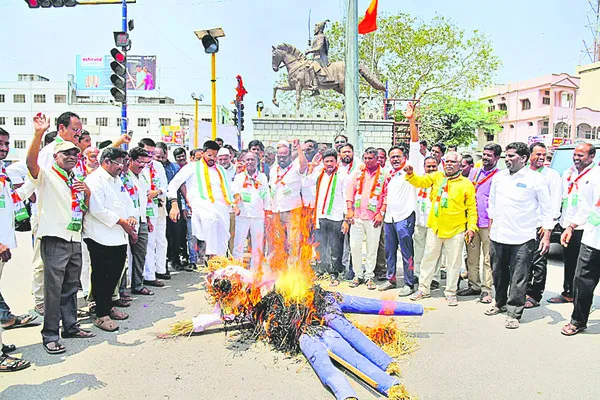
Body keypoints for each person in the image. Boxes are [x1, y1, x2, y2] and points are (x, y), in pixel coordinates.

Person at [27, 114, 95, 354]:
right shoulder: (45, 175)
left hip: (74, 238)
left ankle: (70, 326)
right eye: (66, 153)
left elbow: (83, 209)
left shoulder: (74, 179)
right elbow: (31, 163)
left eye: (75, 154)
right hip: (55, 239)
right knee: (53, 290)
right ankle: (50, 335)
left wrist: (85, 193)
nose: (71, 156)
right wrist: (38, 134)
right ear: (55, 156)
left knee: (70, 287)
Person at [486, 142, 554, 329]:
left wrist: (546, 236)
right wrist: (492, 230)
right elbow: (492, 205)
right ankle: (499, 303)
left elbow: (547, 209)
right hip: (499, 235)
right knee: (498, 273)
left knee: (519, 276)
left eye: (511, 156)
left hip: (523, 237)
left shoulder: (535, 179)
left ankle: (514, 312)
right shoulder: (499, 178)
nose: (507, 159)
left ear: (523, 158)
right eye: (506, 156)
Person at [31, 111, 86, 316]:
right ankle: (41, 302)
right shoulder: (49, 151)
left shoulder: (73, 153)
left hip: (69, 219)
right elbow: (38, 179)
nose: (78, 134)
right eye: (74, 129)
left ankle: (66, 312)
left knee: (68, 273)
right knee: (43, 264)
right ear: (61, 128)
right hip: (49, 217)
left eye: (80, 131)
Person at [405, 152, 477, 306]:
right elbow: (420, 182)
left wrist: (471, 227)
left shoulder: (466, 184)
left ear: (459, 164)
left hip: (456, 230)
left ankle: (450, 292)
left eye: (453, 162)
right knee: (428, 259)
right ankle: (423, 289)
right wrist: (411, 174)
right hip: (435, 227)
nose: (449, 164)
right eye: (447, 161)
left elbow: (471, 208)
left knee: (453, 263)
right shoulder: (437, 176)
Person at [84, 147, 136, 332]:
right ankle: (101, 315)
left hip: (118, 235)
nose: (122, 167)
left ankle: (108, 306)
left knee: (115, 274)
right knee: (102, 276)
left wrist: (131, 218)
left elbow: (127, 201)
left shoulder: (116, 179)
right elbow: (96, 209)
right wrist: (122, 222)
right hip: (100, 236)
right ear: (106, 162)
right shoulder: (94, 180)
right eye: (119, 163)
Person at [0, 127, 34, 370]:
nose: (4, 148)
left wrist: (34, 181)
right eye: (0, 143)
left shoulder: (3, 173)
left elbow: (12, 201)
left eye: (6, 143)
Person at [549, 143, 598, 305]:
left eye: (581, 155)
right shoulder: (568, 173)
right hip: (567, 224)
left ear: (592, 157)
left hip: (584, 227)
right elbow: (562, 197)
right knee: (569, 261)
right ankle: (568, 292)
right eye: (575, 154)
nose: (576, 158)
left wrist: (573, 225)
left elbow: (589, 206)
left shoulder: (595, 175)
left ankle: (581, 299)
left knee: (585, 267)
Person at [168, 141, 233, 257]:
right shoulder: (192, 167)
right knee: (211, 220)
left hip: (222, 209)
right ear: (203, 153)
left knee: (223, 240)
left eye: (215, 156)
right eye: (210, 155)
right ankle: (209, 258)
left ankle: (219, 266)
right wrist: (174, 204)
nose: (212, 158)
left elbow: (227, 190)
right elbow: (173, 184)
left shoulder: (221, 170)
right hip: (202, 207)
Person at [560, 148, 600, 336]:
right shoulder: (595, 177)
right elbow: (587, 206)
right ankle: (578, 321)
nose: (576, 158)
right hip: (593, 238)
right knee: (582, 280)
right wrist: (571, 226)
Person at [458, 143, 502, 304]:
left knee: (488, 258)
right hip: (472, 222)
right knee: (471, 256)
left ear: (497, 158)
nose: (485, 157)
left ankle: (486, 289)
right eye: (484, 154)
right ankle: (473, 285)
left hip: (488, 223)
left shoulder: (500, 176)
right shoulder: (474, 173)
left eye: (489, 155)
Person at [525, 142, 561, 308]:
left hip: (541, 225)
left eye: (544, 155)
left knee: (539, 262)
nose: (541, 158)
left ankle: (535, 295)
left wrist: (548, 227)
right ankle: (522, 291)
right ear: (529, 155)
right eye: (537, 154)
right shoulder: (522, 173)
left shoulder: (551, 175)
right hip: (523, 225)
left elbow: (555, 202)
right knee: (522, 262)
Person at [304, 149, 348, 285]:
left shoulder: (342, 175)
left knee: (335, 247)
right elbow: (305, 183)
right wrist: (312, 166)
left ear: (336, 161)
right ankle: (322, 269)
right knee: (320, 245)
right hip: (320, 215)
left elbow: (346, 196)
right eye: (326, 161)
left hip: (336, 216)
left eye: (331, 161)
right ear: (323, 162)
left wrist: (346, 219)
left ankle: (335, 273)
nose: (329, 163)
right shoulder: (319, 174)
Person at [346, 147, 387, 290]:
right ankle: (358, 275)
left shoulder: (384, 174)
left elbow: (387, 195)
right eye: (366, 158)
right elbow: (350, 191)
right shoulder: (358, 172)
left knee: (372, 247)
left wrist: (381, 212)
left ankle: (369, 276)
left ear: (377, 159)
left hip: (374, 218)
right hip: (357, 216)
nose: (368, 161)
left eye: (371, 158)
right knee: (355, 246)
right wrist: (349, 210)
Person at [378, 145, 417, 296]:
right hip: (390, 218)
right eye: (392, 157)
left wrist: (412, 122)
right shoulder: (390, 174)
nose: (395, 159)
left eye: (398, 156)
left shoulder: (409, 170)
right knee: (389, 251)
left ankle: (409, 283)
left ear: (405, 157)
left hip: (404, 216)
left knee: (407, 252)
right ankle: (391, 278)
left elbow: (414, 145)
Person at [269, 139, 308, 260]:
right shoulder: (273, 170)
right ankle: (281, 271)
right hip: (277, 212)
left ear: (290, 156)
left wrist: (299, 149)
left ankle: (293, 272)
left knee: (293, 244)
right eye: (279, 156)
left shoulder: (295, 168)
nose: (281, 159)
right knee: (279, 244)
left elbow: (304, 165)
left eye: (284, 156)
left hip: (292, 212)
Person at [123, 147, 154, 296]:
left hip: (141, 220)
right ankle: (122, 290)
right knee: (123, 257)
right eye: (139, 162)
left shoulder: (144, 176)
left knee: (140, 254)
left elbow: (146, 200)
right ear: (131, 160)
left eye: (145, 162)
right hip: (126, 220)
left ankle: (138, 284)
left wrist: (148, 220)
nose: (142, 166)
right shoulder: (123, 176)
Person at [231, 152, 271, 269]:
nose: (250, 162)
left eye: (252, 160)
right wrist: (236, 202)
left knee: (257, 245)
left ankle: (255, 271)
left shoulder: (262, 177)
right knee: (239, 244)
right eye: (247, 160)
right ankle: (237, 269)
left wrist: (268, 212)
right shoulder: (239, 177)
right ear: (244, 162)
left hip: (258, 216)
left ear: (257, 161)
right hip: (242, 215)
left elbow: (266, 195)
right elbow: (233, 192)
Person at [139, 139, 169, 285]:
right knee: (149, 243)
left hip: (159, 205)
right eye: (147, 153)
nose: (150, 156)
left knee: (161, 240)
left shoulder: (157, 166)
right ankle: (149, 275)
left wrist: (157, 191)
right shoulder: (139, 166)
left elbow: (165, 186)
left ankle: (161, 269)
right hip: (146, 209)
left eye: (152, 153)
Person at [413, 156, 442, 289]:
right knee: (419, 250)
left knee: (433, 252)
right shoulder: (419, 181)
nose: (431, 169)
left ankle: (434, 278)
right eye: (428, 166)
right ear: (424, 167)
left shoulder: (441, 181)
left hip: (434, 223)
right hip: (419, 221)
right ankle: (418, 275)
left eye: (433, 166)